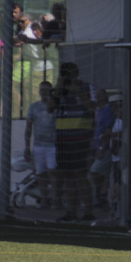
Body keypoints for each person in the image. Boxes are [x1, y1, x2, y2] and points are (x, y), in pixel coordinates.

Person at [54, 62, 95, 222]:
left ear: (76, 73)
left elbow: (92, 108)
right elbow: (50, 107)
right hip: (63, 137)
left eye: (69, 73)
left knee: (80, 174)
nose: (66, 76)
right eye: (63, 73)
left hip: (80, 136)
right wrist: (57, 92)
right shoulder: (59, 89)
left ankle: (88, 211)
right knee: (67, 175)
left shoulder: (87, 87)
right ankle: (71, 211)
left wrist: (78, 93)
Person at [25, 81, 57, 209]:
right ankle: (44, 199)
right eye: (41, 89)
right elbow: (28, 127)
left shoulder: (55, 106)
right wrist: (27, 146)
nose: (43, 92)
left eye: (46, 90)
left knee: (53, 172)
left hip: (53, 145)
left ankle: (55, 199)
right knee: (41, 173)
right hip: (39, 145)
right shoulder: (34, 107)